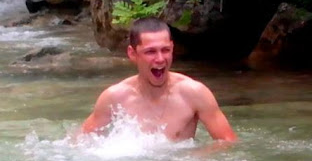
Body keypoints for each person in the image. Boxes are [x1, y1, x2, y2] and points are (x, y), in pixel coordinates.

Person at [81, 18, 237, 142]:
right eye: (150, 52)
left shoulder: (194, 93)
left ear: (172, 48)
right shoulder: (114, 97)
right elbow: (80, 145)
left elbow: (228, 143)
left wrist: (195, 159)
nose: (160, 59)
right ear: (132, 54)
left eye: (165, 50)